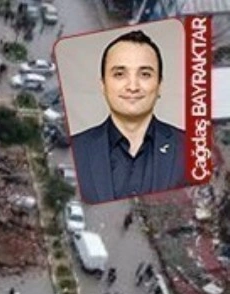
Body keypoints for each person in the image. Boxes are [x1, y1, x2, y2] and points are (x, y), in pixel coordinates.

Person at [70, 29, 187, 204]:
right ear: (103, 85)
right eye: (119, 74)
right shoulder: (75, 150)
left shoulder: (191, 149)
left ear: (160, 85)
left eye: (145, 74)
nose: (133, 86)